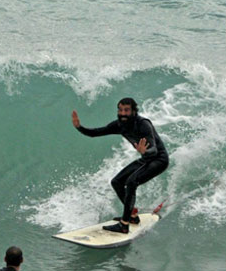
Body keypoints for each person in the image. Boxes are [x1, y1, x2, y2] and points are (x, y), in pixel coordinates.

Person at [71, 98, 169, 234]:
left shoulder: (143, 124)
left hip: (159, 160)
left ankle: (124, 224)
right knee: (116, 182)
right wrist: (79, 127)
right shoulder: (119, 125)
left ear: (134, 111)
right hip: (145, 160)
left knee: (131, 182)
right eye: (120, 110)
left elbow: (154, 149)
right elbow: (96, 133)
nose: (123, 113)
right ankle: (133, 216)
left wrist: (144, 151)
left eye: (126, 110)